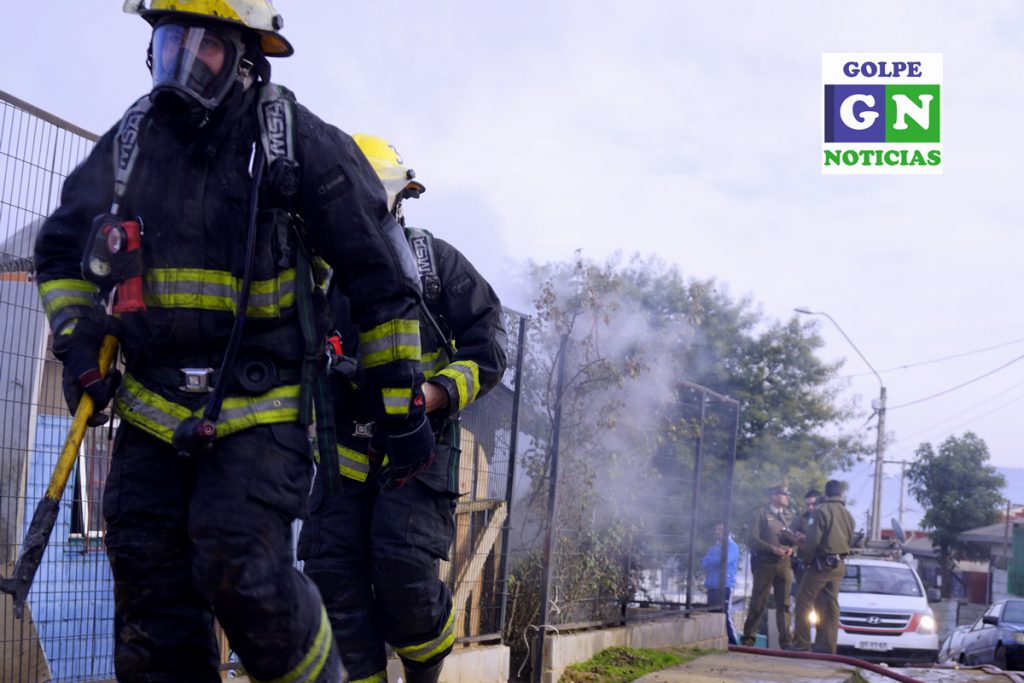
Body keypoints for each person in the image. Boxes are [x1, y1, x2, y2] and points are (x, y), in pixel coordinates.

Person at [33, 4, 434, 682]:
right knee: (149, 595)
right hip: (151, 412)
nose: (181, 64)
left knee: (238, 567)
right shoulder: (134, 141)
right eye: (168, 42)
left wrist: (401, 406)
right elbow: (61, 250)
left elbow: (385, 282)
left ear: (249, 57)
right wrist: (78, 343)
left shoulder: (298, 145)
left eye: (206, 46)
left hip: (259, 409)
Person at [297, 135, 508, 683]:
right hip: (342, 452)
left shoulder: (434, 264)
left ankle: (423, 676)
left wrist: (433, 395)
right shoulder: (318, 276)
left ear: (394, 200)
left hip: (419, 447)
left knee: (403, 566)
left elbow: (489, 350)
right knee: (330, 575)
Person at [792, 479, 857, 653]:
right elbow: (850, 539)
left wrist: (805, 559)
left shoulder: (821, 511)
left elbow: (813, 541)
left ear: (826, 494)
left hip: (820, 565)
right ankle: (827, 647)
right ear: (841, 494)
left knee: (803, 600)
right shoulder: (848, 514)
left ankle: (802, 643)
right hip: (839, 565)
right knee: (830, 605)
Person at [740, 484, 795, 648]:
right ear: (773, 496)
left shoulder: (790, 516)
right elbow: (752, 539)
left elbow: (796, 538)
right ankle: (749, 638)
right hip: (765, 563)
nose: (787, 498)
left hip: (784, 565)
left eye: (787, 495)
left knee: (784, 604)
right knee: (758, 601)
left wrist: (793, 549)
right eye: (783, 494)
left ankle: (785, 642)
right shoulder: (761, 514)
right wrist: (773, 549)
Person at [700, 523, 739, 645]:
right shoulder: (714, 547)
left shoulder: (732, 546)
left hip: (725, 585)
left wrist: (713, 560)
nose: (717, 532)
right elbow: (703, 563)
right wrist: (715, 560)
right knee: (712, 614)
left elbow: (724, 560)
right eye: (716, 529)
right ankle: (715, 641)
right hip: (712, 585)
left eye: (720, 530)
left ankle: (733, 642)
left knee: (725, 614)